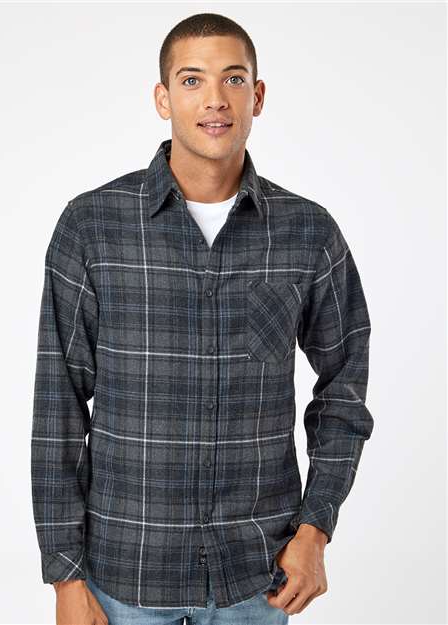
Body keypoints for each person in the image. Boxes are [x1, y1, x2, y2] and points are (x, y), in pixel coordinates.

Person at [31, 12, 374, 625]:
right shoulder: (92, 227)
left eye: (233, 79)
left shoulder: (308, 232)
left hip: (258, 579)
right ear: (163, 99)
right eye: (191, 80)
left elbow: (344, 387)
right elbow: (58, 406)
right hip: (123, 577)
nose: (215, 99)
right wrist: (64, 576)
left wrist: (315, 529)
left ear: (257, 96)